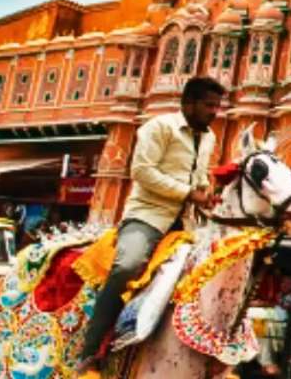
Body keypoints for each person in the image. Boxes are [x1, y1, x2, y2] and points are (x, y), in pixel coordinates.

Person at [77, 76, 225, 375]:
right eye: (209, 105)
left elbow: (198, 177)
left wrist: (205, 194)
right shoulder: (159, 127)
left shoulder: (208, 137)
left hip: (184, 223)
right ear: (189, 103)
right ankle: (89, 349)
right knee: (127, 265)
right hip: (148, 216)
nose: (214, 112)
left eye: (217, 106)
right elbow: (142, 171)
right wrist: (186, 192)